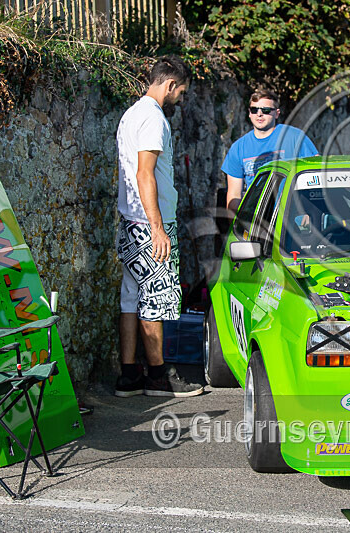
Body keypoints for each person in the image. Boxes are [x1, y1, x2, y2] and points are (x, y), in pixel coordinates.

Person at [114, 56, 204, 398]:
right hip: (151, 222)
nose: (180, 98)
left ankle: (128, 375)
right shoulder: (152, 118)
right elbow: (143, 173)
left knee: (131, 297)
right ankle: (157, 377)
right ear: (169, 85)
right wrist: (157, 227)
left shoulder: (130, 114)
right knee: (155, 299)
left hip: (130, 219)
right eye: (180, 91)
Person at [222, 88, 318, 213]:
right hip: (258, 220)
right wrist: (235, 229)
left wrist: (309, 214)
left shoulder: (294, 137)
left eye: (266, 110)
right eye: (254, 110)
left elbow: (316, 175)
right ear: (249, 113)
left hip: (292, 215)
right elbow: (234, 196)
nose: (259, 114)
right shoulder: (238, 148)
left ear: (277, 113)